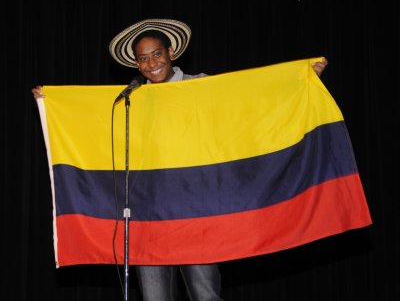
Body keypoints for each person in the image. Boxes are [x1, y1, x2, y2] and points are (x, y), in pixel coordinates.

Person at [32, 18, 328, 301]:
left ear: (171, 52)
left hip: (195, 215)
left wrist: (299, 80)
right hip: (148, 218)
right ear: (136, 63)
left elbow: (248, 101)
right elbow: (92, 126)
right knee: (154, 298)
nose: (151, 63)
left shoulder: (199, 87)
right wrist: (52, 105)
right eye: (143, 58)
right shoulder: (130, 101)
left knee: (205, 295)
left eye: (157, 54)